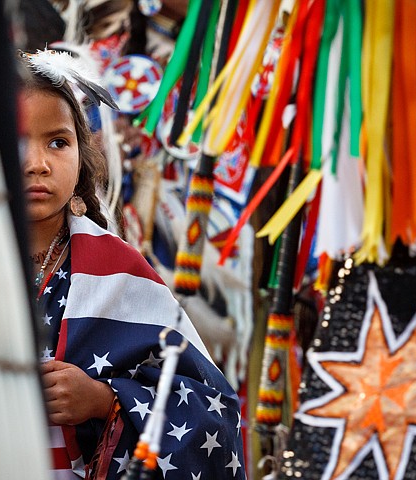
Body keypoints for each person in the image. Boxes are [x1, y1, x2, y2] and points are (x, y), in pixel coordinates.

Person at [20, 49, 246, 480]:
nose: (38, 163)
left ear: (82, 153)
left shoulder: (120, 271)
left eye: (58, 142)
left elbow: (210, 410)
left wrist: (105, 400)